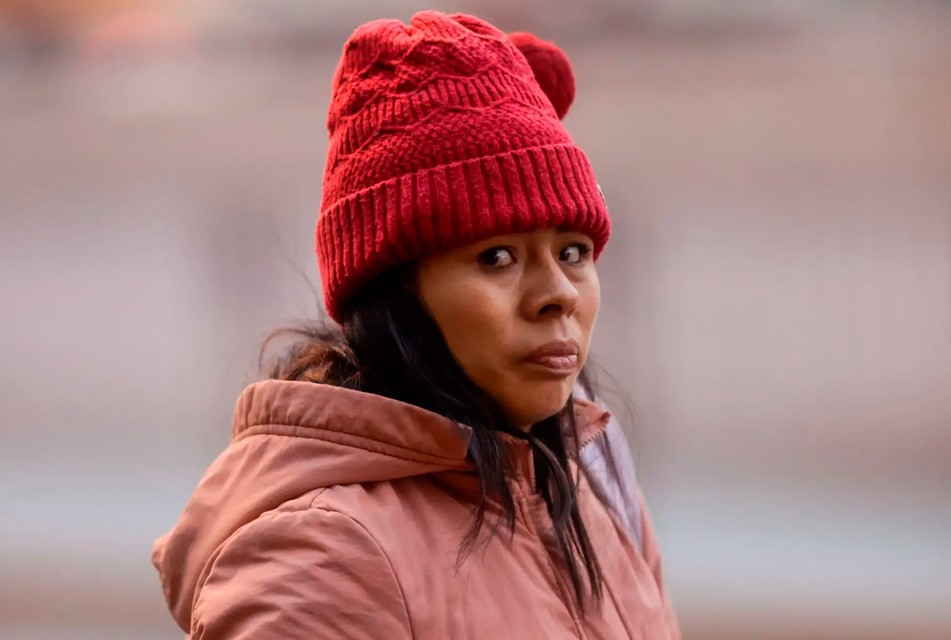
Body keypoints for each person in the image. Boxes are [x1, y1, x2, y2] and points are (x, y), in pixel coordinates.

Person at [152, 10, 680, 639]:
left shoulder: (593, 487)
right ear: (395, 293)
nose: (558, 296)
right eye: (497, 257)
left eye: (573, 251)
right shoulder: (322, 560)